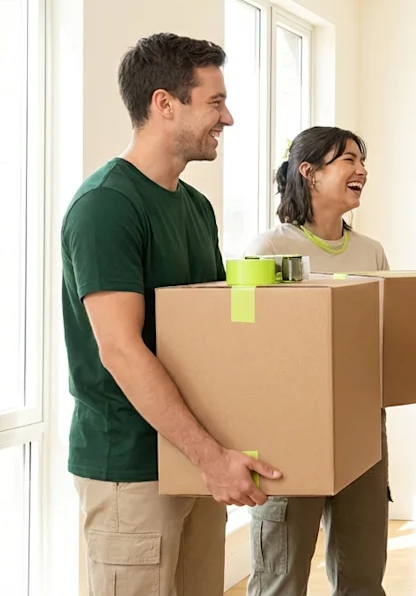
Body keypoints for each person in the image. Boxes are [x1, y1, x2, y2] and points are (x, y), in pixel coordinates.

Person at [61, 32, 280, 596]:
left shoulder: (195, 207)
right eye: (215, 101)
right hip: (131, 468)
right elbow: (120, 349)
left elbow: (207, 332)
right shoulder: (107, 205)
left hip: (193, 458)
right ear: (164, 104)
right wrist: (210, 457)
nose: (227, 118)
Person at [243, 126, 390, 596]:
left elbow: (386, 340)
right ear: (309, 172)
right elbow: (242, 345)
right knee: (281, 579)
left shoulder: (371, 252)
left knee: (362, 577)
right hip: (289, 430)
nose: (361, 170)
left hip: (361, 426)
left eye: (361, 161)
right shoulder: (269, 248)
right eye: (348, 159)